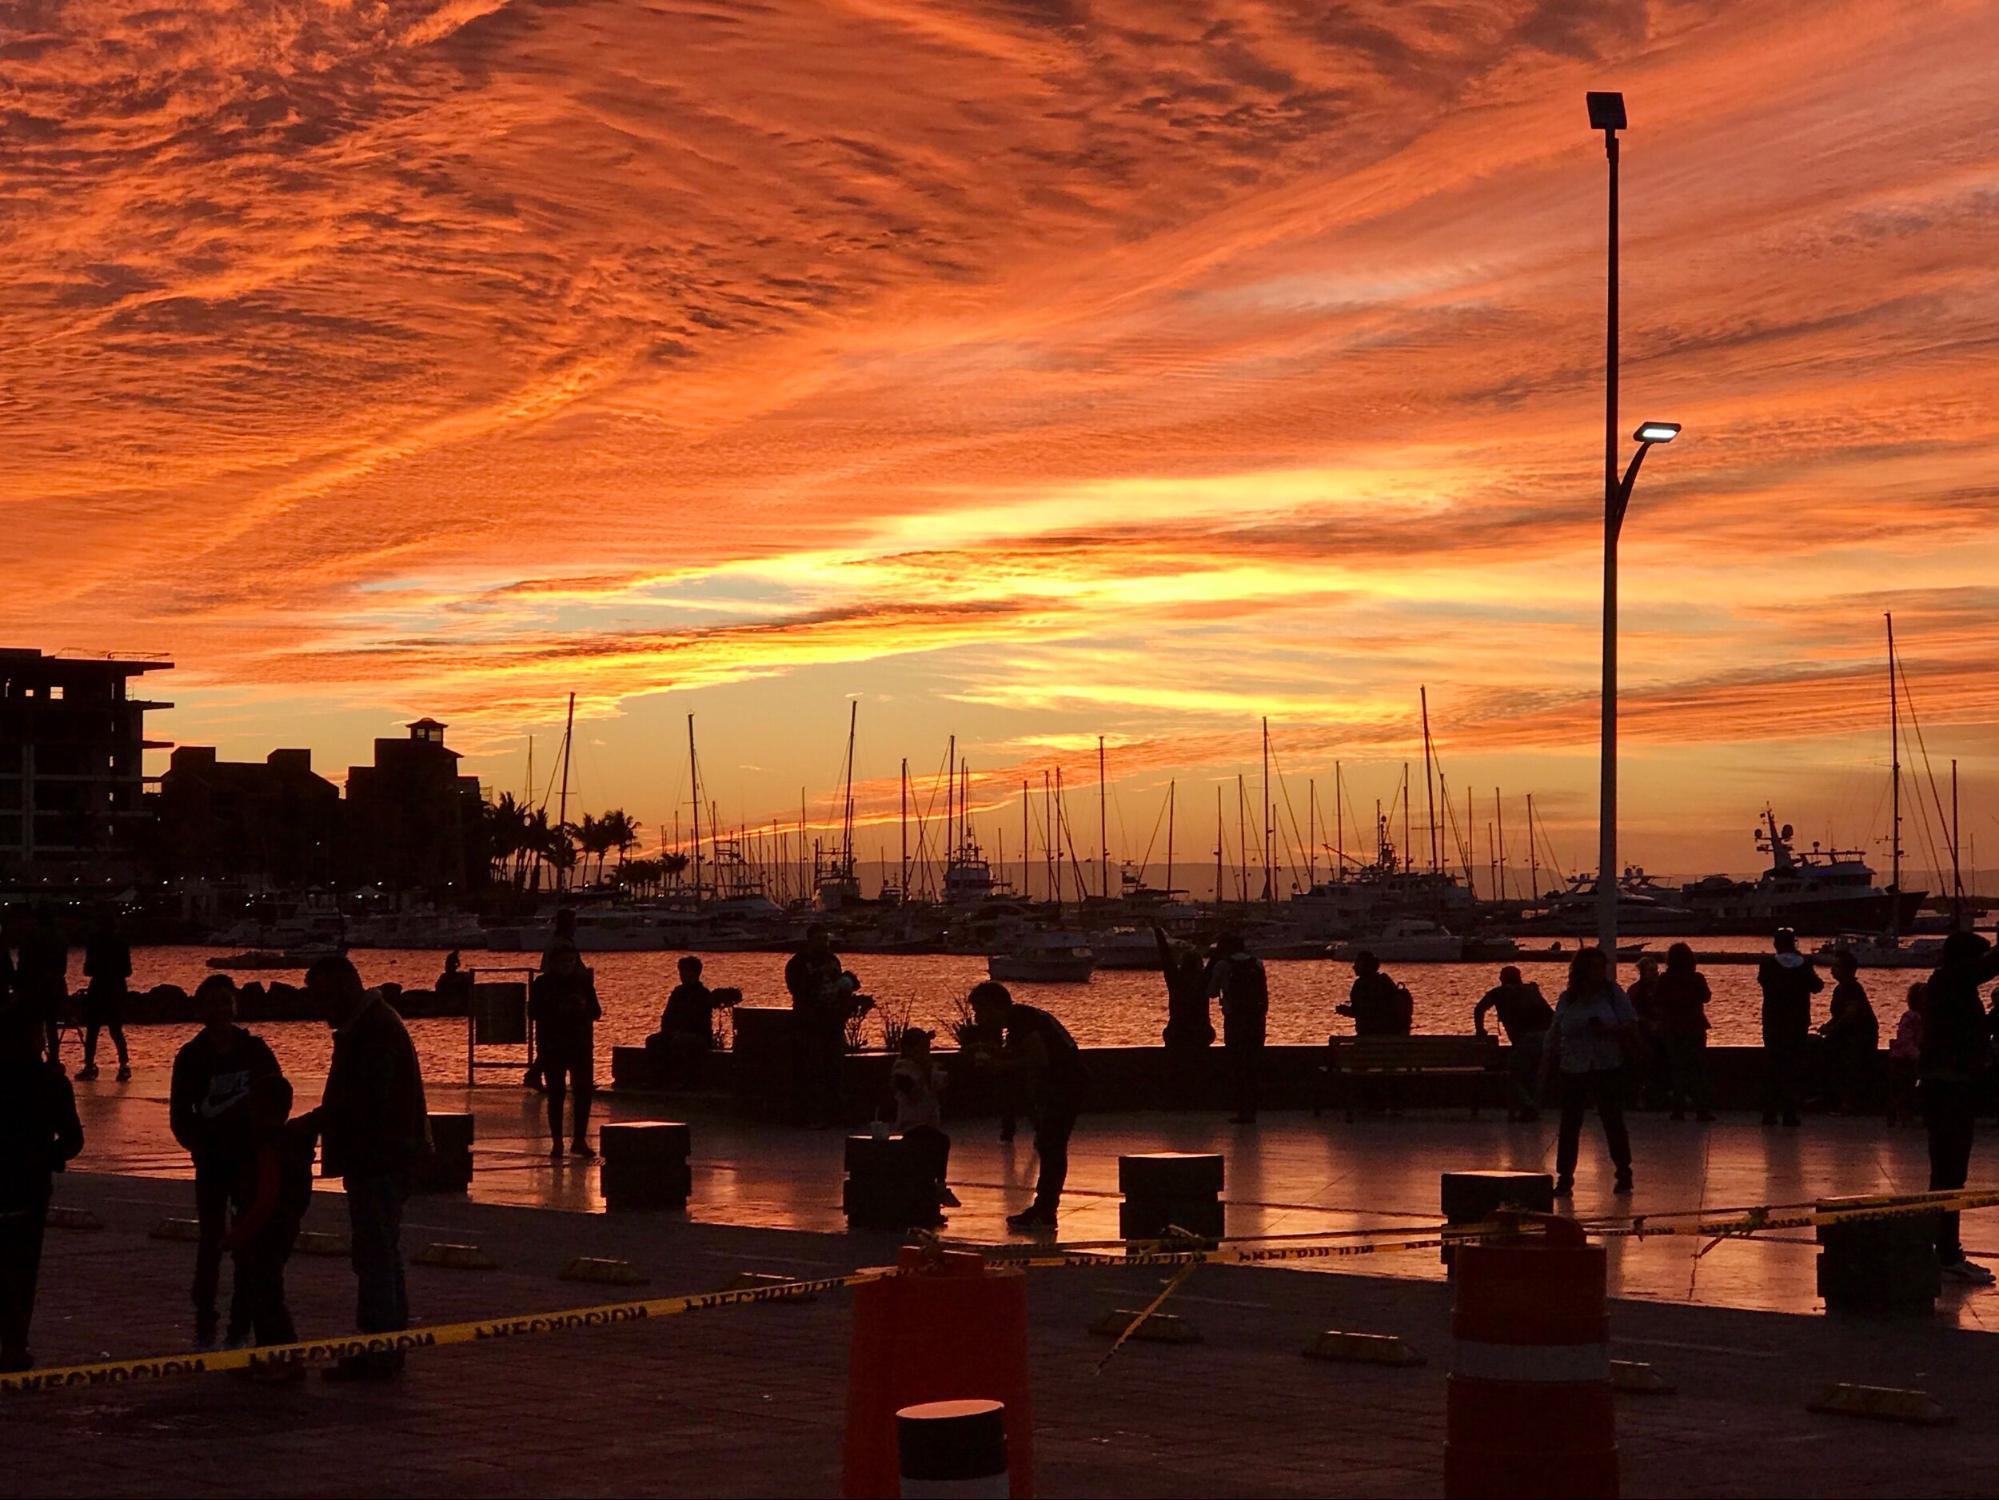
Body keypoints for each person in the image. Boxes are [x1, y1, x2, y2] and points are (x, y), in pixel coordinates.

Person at [302, 954, 430, 1378]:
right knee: (381, 1251)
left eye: (320, 996)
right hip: (385, 1156)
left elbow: (362, 1102)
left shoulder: (372, 1031)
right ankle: (385, 1344)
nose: (317, 1008)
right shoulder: (373, 1024)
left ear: (342, 988)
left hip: (379, 1158)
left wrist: (309, 1125)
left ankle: (380, 1347)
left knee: (375, 1253)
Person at [169, 975, 282, 1349]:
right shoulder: (190, 1057)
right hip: (212, 1161)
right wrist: (197, 1146)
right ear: (201, 1010)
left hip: (250, 1159)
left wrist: (267, 1137)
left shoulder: (255, 1050)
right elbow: (180, 1114)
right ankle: (205, 1317)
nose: (221, 1009)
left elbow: (278, 1095)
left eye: (226, 1001)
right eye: (213, 1002)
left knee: (248, 1241)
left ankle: (241, 1321)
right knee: (211, 1241)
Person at [0, 999, 83, 1371]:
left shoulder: (49, 1081)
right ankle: (15, 1345)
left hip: (23, 1186)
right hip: (30, 1189)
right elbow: (72, 1140)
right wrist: (46, 1158)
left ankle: (15, 1344)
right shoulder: (51, 1082)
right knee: (22, 1271)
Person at [1916, 931, 1999, 1283]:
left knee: (1949, 1174)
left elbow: (1975, 1031)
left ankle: (1944, 1249)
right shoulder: (1952, 981)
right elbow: (1989, 967)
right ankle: (1947, 1252)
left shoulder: (1948, 987)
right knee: (1950, 1173)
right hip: (1949, 1089)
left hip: (1946, 1087)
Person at [968, 981, 1085, 1230]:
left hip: (1063, 1087)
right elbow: (1029, 1054)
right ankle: (1044, 1208)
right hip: (1066, 1085)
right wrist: (997, 1054)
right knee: (1049, 1147)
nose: (978, 1018)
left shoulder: (1021, 1020)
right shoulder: (1023, 1018)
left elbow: (1038, 1058)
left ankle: (1045, 1210)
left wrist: (998, 1065)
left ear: (993, 1006)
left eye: (980, 1011)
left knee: (1051, 1148)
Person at [221, 1075, 314, 1368]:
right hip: (283, 1226)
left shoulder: (267, 1147)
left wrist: (239, 1233)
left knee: (265, 1297)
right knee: (260, 1291)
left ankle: (282, 1359)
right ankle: (261, 1356)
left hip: (262, 1231)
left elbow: (265, 1197)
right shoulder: (294, 1144)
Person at [1541, 947, 1639, 1197]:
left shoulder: (1613, 994)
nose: (1598, 972)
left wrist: (1607, 1029)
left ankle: (1624, 1173)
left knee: (1612, 1120)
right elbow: (1556, 1028)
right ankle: (1565, 1178)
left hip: (1607, 1064)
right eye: (1593, 967)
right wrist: (1547, 1058)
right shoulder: (1568, 998)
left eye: (1601, 966)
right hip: (1574, 1066)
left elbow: (1630, 1023)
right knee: (1570, 1124)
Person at [533, 910, 601, 1157]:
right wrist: (559, 1009)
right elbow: (534, 1012)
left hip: (579, 1044)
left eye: (571, 962)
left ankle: (579, 1139)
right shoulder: (543, 985)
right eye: (564, 963)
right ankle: (558, 1142)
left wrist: (582, 1009)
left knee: (583, 1093)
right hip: (554, 1045)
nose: (568, 966)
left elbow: (596, 1011)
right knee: (556, 1094)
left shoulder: (582, 983)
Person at [890, 1028, 958, 1222]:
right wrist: (925, 1072)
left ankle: (933, 1198)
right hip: (912, 1125)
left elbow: (940, 1088)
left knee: (930, 1159)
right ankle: (937, 1189)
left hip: (929, 1123)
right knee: (937, 1146)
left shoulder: (928, 1067)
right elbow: (910, 1090)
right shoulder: (903, 1068)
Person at [786, 926, 851, 1127]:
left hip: (832, 1023)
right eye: (819, 939)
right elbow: (797, 989)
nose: (824, 943)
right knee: (813, 1070)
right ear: (810, 940)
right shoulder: (797, 963)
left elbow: (839, 987)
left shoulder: (833, 961)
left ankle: (836, 1114)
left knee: (835, 1070)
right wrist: (816, 976)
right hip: (809, 1024)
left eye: (826, 938)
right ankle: (812, 1115)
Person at [1756, 929, 1822, 1126]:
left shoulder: (1768, 965)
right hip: (1798, 1022)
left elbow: (1763, 983)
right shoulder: (1805, 965)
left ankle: (1769, 1112)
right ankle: (1790, 1113)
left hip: (1773, 1022)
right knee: (1793, 1068)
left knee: (1773, 1066)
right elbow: (1817, 986)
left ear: (1776, 944)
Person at [1472, 966, 1553, 1121]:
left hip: (1525, 1040)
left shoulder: (1498, 993)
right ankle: (1532, 1107)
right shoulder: (1532, 990)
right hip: (1545, 1037)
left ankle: (1528, 1106)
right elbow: (1550, 1014)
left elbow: (1479, 1009)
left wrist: (1480, 1030)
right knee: (1535, 1075)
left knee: (1512, 1074)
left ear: (1502, 979)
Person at [1207, 933, 1268, 1123]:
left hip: (1234, 1019)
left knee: (1238, 1064)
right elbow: (1264, 994)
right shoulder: (1257, 964)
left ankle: (1242, 1110)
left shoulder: (1223, 966)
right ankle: (1252, 1109)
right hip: (1256, 1020)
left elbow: (1211, 992)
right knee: (1253, 1065)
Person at [1154, 924, 1214, 1109]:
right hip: (1199, 1033)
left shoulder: (1176, 980)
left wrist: (1158, 934)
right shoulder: (1203, 981)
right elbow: (1215, 961)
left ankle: (1176, 1099)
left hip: (1178, 1033)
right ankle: (1199, 1098)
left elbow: (1166, 958)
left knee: (1177, 1064)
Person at [1654, 942, 1715, 1121]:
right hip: (1695, 1026)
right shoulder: (1696, 978)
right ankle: (1702, 1109)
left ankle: (1678, 1109)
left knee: (1678, 1068)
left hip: (1672, 1027)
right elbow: (1707, 997)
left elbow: (1657, 1000)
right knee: (1697, 1068)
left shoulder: (1665, 979)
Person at [1817, 951, 1879, 1115]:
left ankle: (1848, 1102)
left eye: (1836, 966)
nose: (1832, 969)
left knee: (1846, 1061)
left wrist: (1832, 1029)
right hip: (1847, 1034)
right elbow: (1839, 1016)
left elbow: (1850, 1015)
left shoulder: (1852, 988)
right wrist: (1828, 1026)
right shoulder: (1841, 989)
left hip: (1858, 1037)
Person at [77, 910, 132, 1083]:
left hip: (99, 987)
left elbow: (88, 970)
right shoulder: (121, 943)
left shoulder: (94, 942)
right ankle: (123, 1065)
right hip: (116, 988)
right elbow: (128, 971)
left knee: (92, 1030)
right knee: (116, 1030)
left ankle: (89, 1065)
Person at [16, 909, 68, 1068]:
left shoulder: (31, 937)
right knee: (52, 1026)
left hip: (34, 987)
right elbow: (62, 967)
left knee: (35, 1025)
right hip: (55, 986)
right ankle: (54, 1058)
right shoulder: (60, 937)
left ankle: (35, 1057)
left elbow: (23, 962)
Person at [1625, 955, 1669, 1107]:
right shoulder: (1635, 991)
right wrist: (1647, 1023)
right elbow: (1631, 1014)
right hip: (1642, 1035)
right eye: (1651, 971)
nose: (1655, 973)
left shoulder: (1661, 989)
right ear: (1643, 972)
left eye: (1656, 970)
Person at [1338, 951, 1410, 1037]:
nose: (1354, 967)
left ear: (1365, 966)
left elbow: (1364, 1012)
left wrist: (1343, 1010)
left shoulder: (1362, 984)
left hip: (1370, 1035)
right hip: (1393, 1034)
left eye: (1357, 963)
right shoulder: (1385, 981)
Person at [1886, 982, 1925, 1127]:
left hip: (1914, 1056)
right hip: (1903, 1059)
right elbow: (1906, 1041)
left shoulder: (1924, 1018)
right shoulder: (1910, 1017)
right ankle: (1902, 1114)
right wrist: (1918, 1055)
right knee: (1904, 1087)